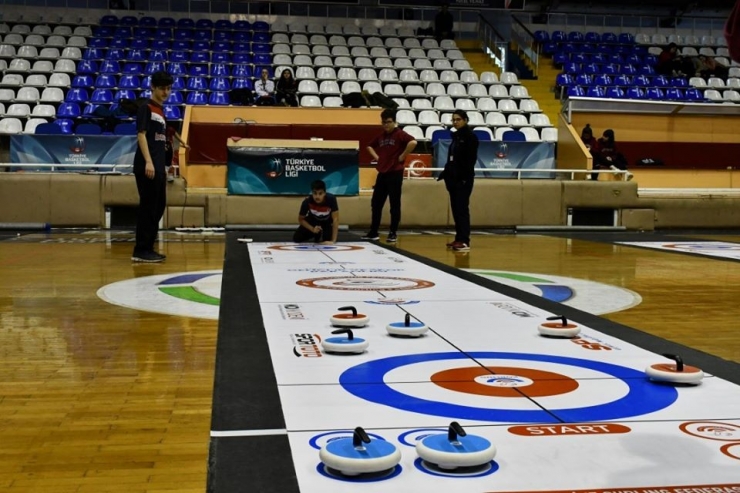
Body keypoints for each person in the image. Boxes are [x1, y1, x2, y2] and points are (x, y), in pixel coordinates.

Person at [132, 71, 172, 263]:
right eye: (162, 88)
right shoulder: (146, 108)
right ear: (153, 87)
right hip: (147, 166)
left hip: (158, 167)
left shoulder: (161, 111)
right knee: (148, 208)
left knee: (158, 207)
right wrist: (148, 161)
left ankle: (148, 247)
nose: (166, 92)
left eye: (168, 89)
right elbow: (141, 135)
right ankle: (141, 249)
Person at [361, 109, 417, 243]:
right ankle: (373, 231)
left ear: (394, 122)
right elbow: (369, 146)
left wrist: (403, 156)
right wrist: (378, 158)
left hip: (395, 173)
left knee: (394, 204)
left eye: (389, 122)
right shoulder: (381, 136)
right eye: (384, 122)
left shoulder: (400, 134)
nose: (386, 125)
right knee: (376, 203)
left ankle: (393, 232)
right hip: (383, 173)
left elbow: (413, 142)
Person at [438, 109, 478, 252]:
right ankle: (459, 238)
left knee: (462, 209)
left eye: (458, 119)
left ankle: (465, 240)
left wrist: (463, 178)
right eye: (453, 120)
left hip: (463, 180)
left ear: (465, 120)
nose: (455, 122)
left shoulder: (470, 137)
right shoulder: (455, 137)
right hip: (453, 179)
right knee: (456, 209)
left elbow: (469, 161)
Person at [293, 180, 339, 244]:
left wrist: (333, 240)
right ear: (312, 193)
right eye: (315, 193)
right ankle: (316, 233)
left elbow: (335, 219)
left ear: (325, 193)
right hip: (313, 221)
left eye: (320, 193)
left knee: (327, 240)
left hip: (327, 222)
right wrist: (312, 229)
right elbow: (301, 219)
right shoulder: (307, 202)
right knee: (296, 238)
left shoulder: (331, 199)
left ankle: (321, 234)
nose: (317, 197)